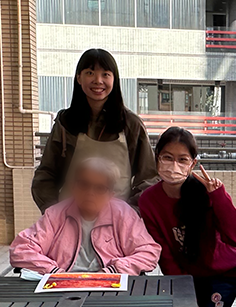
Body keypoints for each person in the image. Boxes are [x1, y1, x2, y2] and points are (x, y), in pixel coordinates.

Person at [138, 128, 236, 307]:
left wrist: (218, 196)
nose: (174, 165)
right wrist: (183, 292)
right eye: (167, 157)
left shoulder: (207, 192)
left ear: (193, 164)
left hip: (222, 275)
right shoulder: (148, 200)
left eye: (182, 159)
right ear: (157, 158)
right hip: (185, 276)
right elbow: (164, 253)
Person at [31, 49, 157, 211]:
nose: (98, 80)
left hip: (117, 220)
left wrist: (130, 213)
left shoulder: (131, 124)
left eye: (105, 74)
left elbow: (148, 178)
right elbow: (46, 173)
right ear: (79, 77)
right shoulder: (65, 123)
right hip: (69, 217)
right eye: (90, 73)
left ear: (114, 79)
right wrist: (54, 212)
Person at [11, 157, 160, 275]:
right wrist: (53, 272)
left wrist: (114, 270)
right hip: (62, 286)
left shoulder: (123, 214)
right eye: (84, 184)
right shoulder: (55, 214)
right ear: (73, 187)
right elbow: (20, 249)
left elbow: (149, 252)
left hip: (110, 285)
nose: (90, 192)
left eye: (100, 188)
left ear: (111, 194)